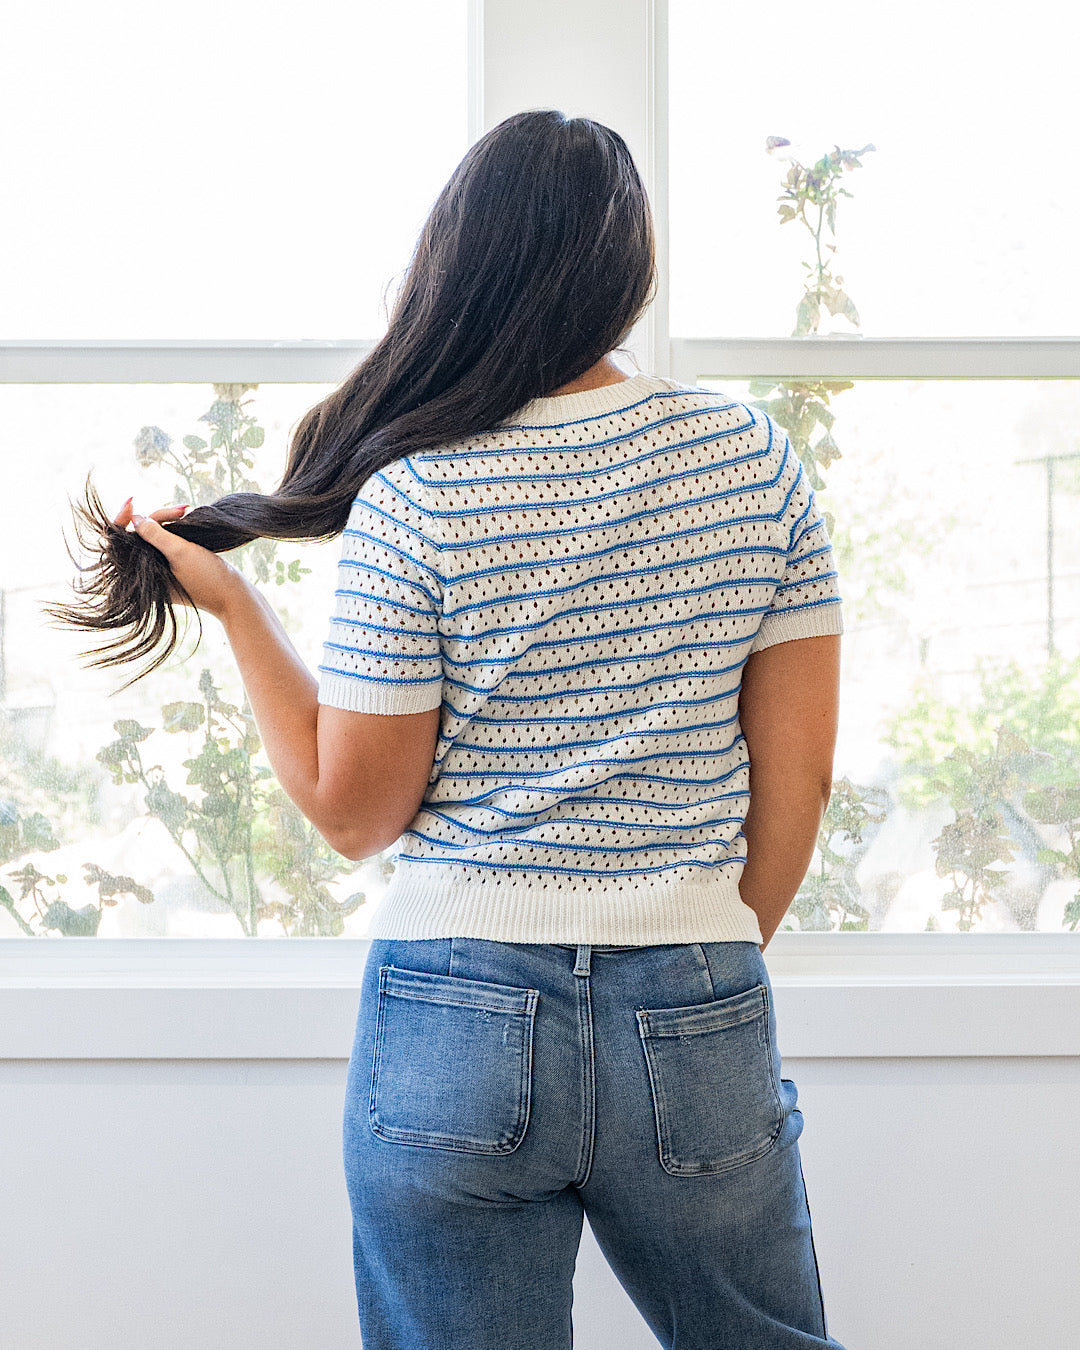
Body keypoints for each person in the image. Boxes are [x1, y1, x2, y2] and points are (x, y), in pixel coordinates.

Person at [52, 110, 846, 1349]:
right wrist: (697, 957)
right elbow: (800, 782)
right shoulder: (754, 460)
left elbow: (356, 815)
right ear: (629, 269)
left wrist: (241, 609)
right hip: (691, 985)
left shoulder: (418, 489)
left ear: (455, 261)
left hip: (454, 1012)